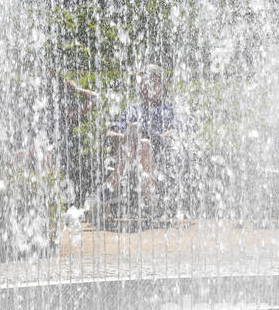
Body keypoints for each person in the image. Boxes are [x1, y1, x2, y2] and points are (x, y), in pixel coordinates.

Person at [64, 64, 190, 219]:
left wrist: (143, 132)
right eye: (145, 83)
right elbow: (110, 134)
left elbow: (176, 135)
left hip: (161, 158)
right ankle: (151, 207)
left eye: (153, 83)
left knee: (142, 140)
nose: (148, 87)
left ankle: (104, 193)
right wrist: (129, 137)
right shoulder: (133, 109)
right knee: (139, 140)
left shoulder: (172, 109)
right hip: (132, 158)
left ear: (163, 85)